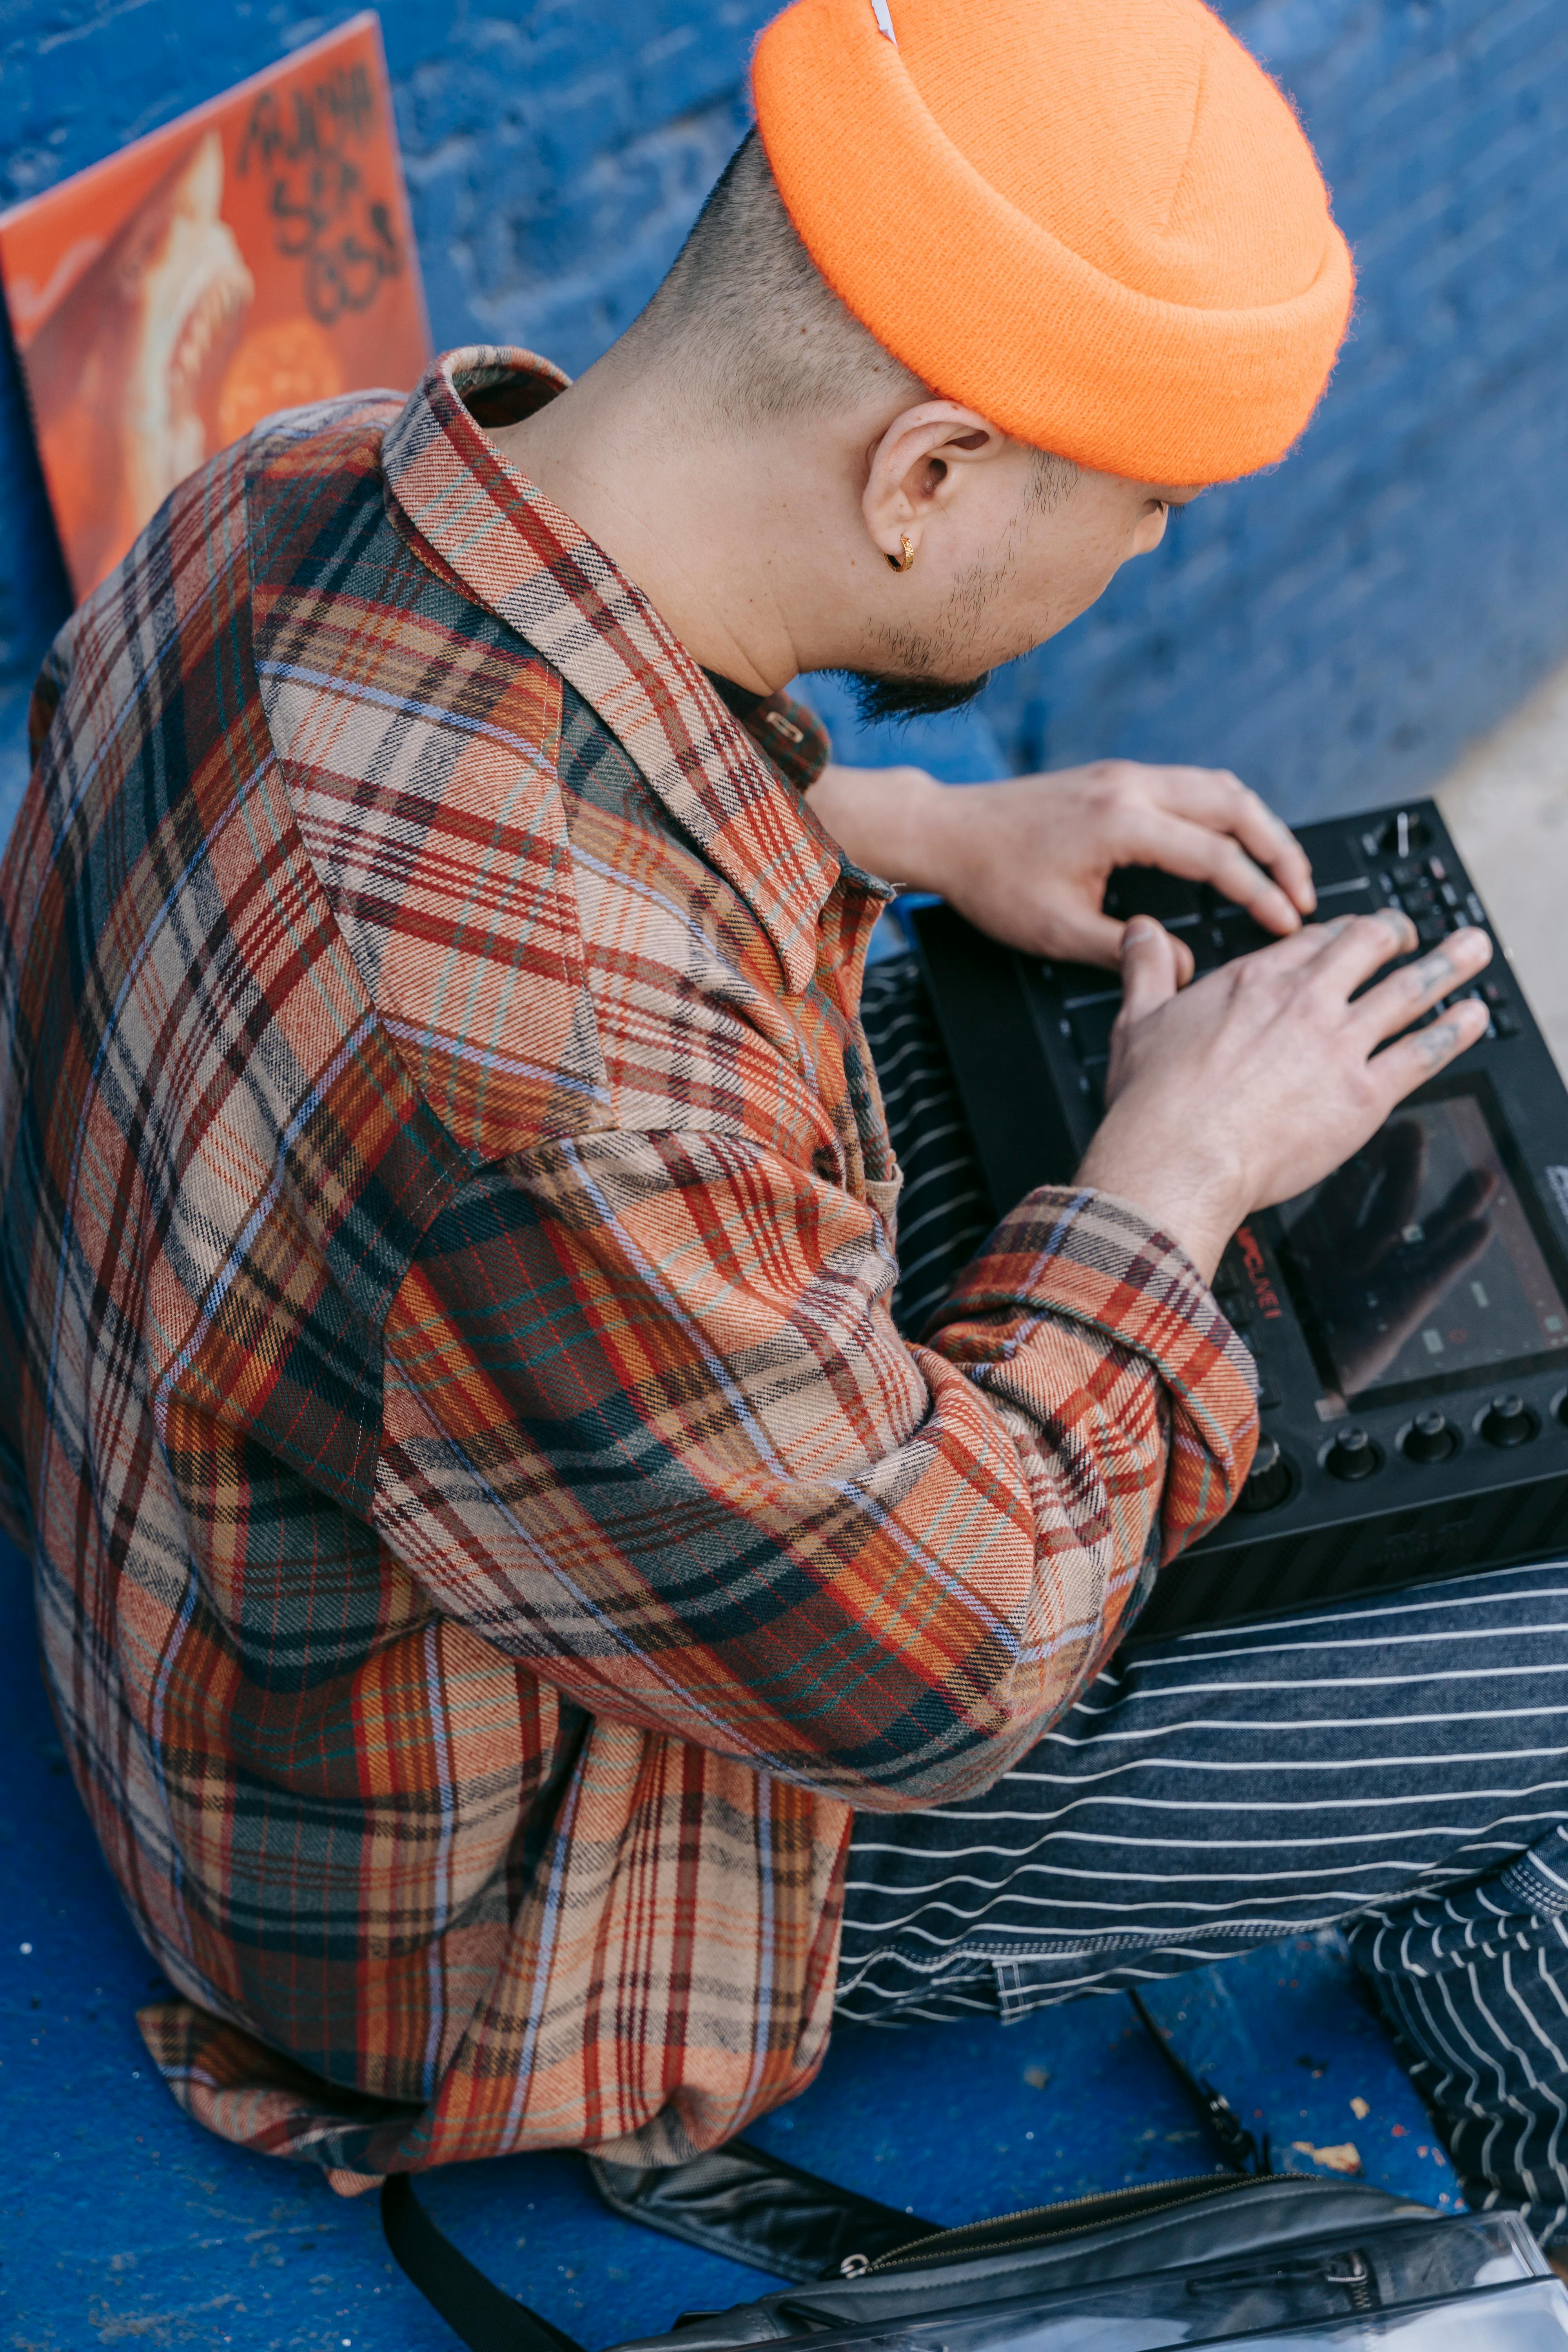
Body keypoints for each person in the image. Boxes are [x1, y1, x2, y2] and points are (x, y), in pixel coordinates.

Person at [4, 0, 1567, 2255]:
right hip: (464, 1917)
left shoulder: (284, 485)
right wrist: (1174, 1177)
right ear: (925, 478)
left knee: (1042, 1105)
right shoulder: (559, 1080)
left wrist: (918, 821)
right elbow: (940, 1659)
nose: (1133, 570)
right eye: (1135, 519)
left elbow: (525, 747)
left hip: (235, 1546)